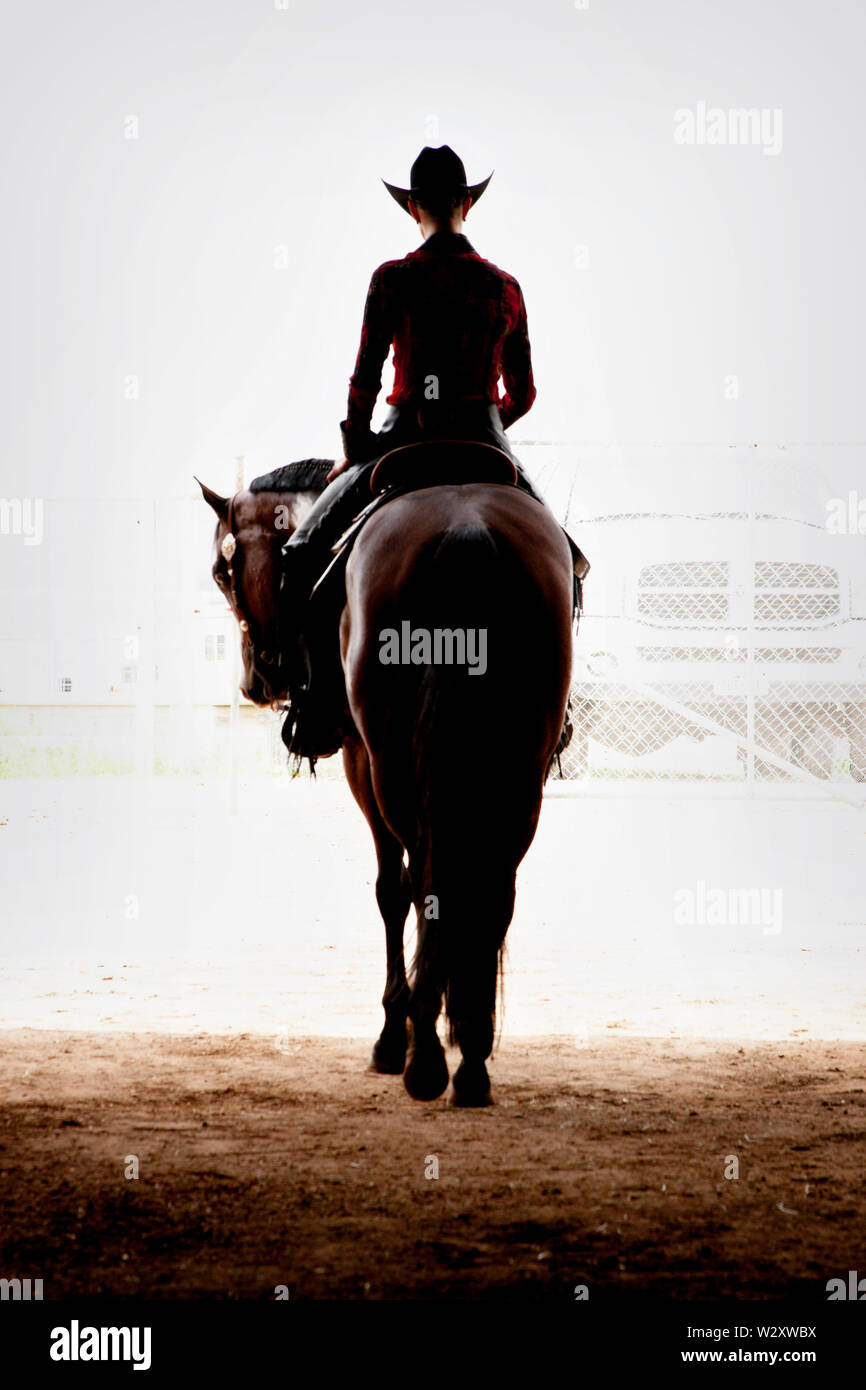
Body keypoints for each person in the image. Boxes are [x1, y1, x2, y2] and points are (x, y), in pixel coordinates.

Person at [281, 144, 548, 599]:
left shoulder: (391, 280)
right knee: (564, 555)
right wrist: (481, 424)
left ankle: (297, 669)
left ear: (412, 209)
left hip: (404, 437)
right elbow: (522, 396)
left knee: (301, 552)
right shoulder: (505, 287)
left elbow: (364, 382)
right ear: (467, 204)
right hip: (485, 438)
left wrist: (356, 449)